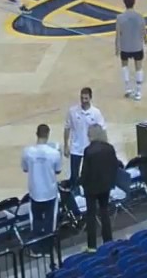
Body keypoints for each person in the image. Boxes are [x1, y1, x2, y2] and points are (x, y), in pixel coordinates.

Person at [21, 124, 62, 253]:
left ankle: (36, 249)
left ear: (36, 134)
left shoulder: (27, 152)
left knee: (36, 222)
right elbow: (58, 170)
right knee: (50, 222)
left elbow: (25, 168)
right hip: (50, 192)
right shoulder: (54, 153)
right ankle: (48, 249)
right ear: (48, 134)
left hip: (35, 193)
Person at [79, 125, 120, 252]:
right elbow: (115, 165)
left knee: (91, 216)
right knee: (104, 213)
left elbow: (85, 171)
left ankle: (92, 246)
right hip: (105, 186)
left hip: (91, 188)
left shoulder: (89, 150)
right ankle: (108, 241)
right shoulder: (109, 148)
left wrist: (81, 182)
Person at [63, 87, 105, 188]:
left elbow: (102, 130)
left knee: (89, 175)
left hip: (90, 149)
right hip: (76, 148)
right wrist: (66, 145)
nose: (83, 101)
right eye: (82, 98)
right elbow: (67, 128)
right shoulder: (72, 111)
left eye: (86, 98)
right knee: (74, 176)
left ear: (90, 98)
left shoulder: (96, 113)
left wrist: (102, 148)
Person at [115, 0, 147, 100]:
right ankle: (138, 92)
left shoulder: (120, 18)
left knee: (125, 67)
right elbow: (144, 31)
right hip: (137, 46)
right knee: (138, 68)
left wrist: (117, 47)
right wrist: (145, 41)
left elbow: (118, 34)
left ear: (124, 3)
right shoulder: (140, 16)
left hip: (125, 46)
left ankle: (127, 89)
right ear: (134, 2)